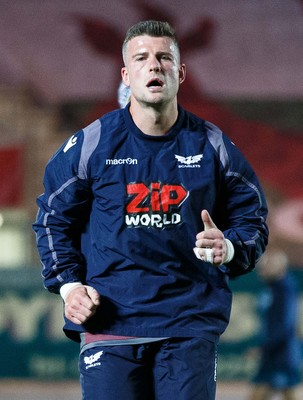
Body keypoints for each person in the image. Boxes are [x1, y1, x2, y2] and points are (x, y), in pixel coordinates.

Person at [33, 20, 268, 400]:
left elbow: (252, 218)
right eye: (141, 58)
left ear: (181, 72)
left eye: (164, 57)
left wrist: (230, 248)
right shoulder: (91, 145)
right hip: (111, 323)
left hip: (187, 325)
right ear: (126, 74)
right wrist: (70, 286)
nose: (154, 65)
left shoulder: (214, 147)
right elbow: (51, 219)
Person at [249, 246, 301, 400]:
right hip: (273, 353)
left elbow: (286, 324)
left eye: (267, 264)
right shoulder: (270, 288)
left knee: (286, 392)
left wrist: (265, 346)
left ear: (278, 266)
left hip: (283, 353)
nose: (261, 267)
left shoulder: (285, 289)